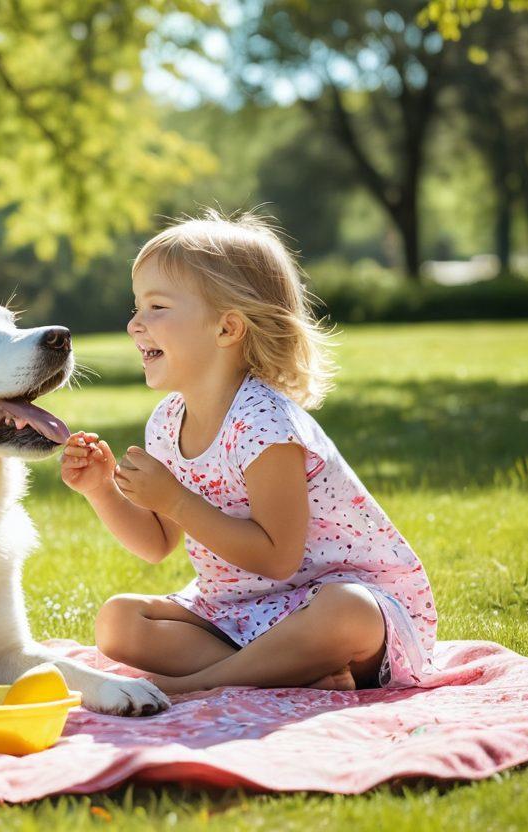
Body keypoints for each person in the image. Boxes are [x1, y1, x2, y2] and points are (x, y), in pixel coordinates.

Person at [61, 211, 436, 693]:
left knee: (349, 613)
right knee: (118, 621)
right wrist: (101, 490)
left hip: (329, 605)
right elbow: (157, 544)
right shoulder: (168, 421)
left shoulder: (265, 425)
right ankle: (291, 674)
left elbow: (279, 558)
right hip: (238, 612)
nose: (135, 324)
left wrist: (175, 499)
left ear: (226, 329)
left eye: (157, 307)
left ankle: (200, 684)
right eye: (137, 307)